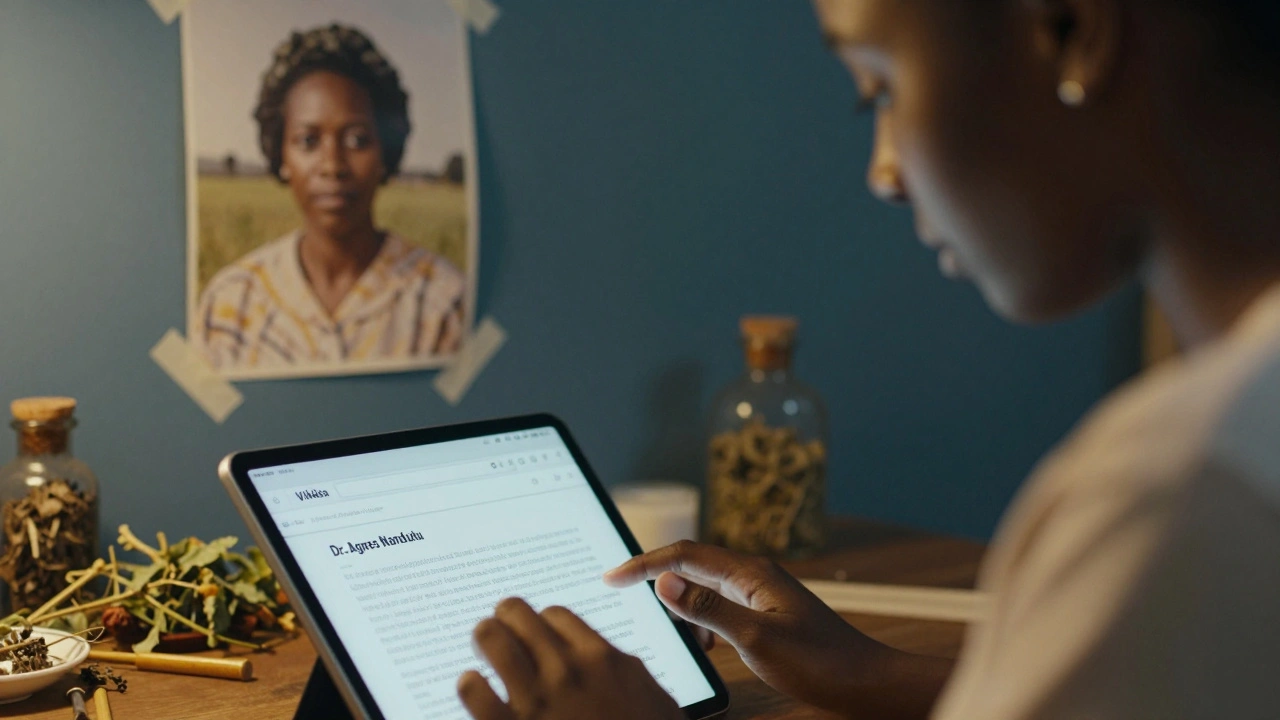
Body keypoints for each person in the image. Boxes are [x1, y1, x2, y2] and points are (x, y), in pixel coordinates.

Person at [454, 0, 1280, 718]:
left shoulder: (1178, 491)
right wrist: (866, 674)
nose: (883, 173)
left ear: (1072, 31)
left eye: (877, 89)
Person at [195, 24, 466, 372]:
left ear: (386, 152)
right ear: (282, 158)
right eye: (308, 141)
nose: (333, 166)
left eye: (357, 140)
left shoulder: (443, 302)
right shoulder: (231, 304)